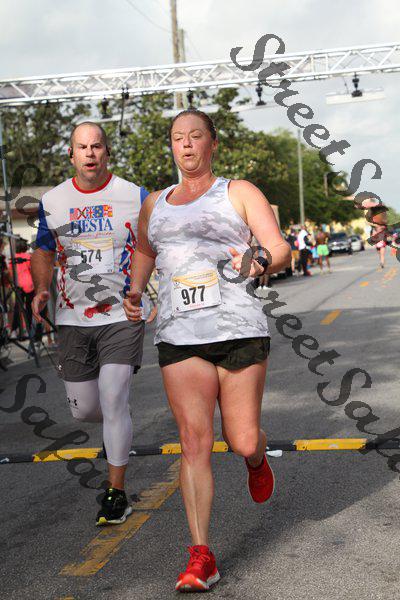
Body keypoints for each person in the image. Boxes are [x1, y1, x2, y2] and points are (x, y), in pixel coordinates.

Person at [123, 109, 291, 592]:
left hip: (238, 328)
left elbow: (279, 248)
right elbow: (146, 250)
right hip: (179, 334)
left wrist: (259, 259)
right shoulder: (155, 204)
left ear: (212, 143)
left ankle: (256, 459)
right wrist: (135, 290)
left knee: (242, 440)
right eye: (178, 137)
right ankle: (201, 555)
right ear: (172, 146)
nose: (186, 144)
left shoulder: (238, 192)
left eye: (195, 136)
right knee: (194, 442)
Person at [31, 121, 149, 525]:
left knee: (113, 396)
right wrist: (41, 288)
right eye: (82, 147)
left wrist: (145, 289)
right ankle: (118, 420)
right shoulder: (53, 200)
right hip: (72, 317)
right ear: (71, 155)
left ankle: (116, 493)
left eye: (97, 146)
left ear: (107, 152)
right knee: (84, 410)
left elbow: (151, 245)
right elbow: (44, 250)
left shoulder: (134, 195)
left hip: (121, 313)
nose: (90, 153)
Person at [9, 238, 35, 336]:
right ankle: (28, 329)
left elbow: (11, 273)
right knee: (29, 308)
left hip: (18, 285)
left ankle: (14, 330)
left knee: (17, 307)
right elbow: (32, 270)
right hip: (29, 284)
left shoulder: (13, 258)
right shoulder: (28, 256)